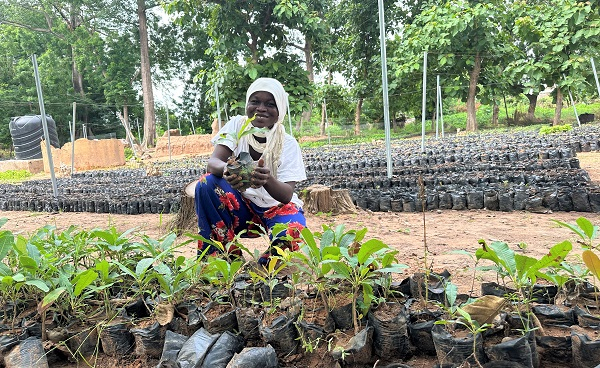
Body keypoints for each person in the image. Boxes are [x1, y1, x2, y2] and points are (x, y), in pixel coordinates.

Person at [195, 77, 306, 265]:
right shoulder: (237, 126)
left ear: (280, 109)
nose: (261, 108)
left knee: (293, 229)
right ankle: (224, 255)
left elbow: (287, 195)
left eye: (270, 104)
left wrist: (267, 179)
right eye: (255, 102)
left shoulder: (287, 143)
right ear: (247, 104)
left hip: (274, 208)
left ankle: (270, 261)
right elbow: (213, 162)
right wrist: (229, 170)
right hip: (241, 207)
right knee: (206, 183)